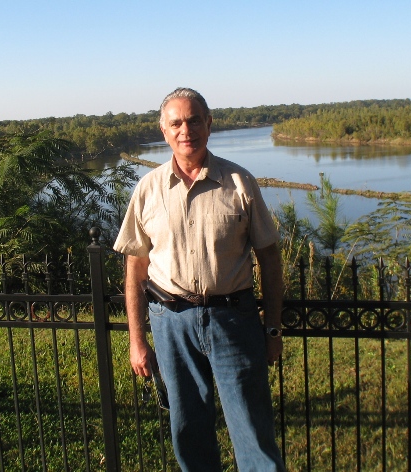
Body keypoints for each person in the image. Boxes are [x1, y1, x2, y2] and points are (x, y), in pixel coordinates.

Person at [114, 87, 286, 472]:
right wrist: (137, 340)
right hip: (170, 323)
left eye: (194, 120)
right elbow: (135, 270)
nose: (185, 129)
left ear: (209, 124)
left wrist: (272, 330)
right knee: (188, 430)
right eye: (175, 122)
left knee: (253, 431)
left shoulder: (239, 182)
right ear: (164, 130)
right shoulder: (147, 190)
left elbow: (270, 260)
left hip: (234, 321)